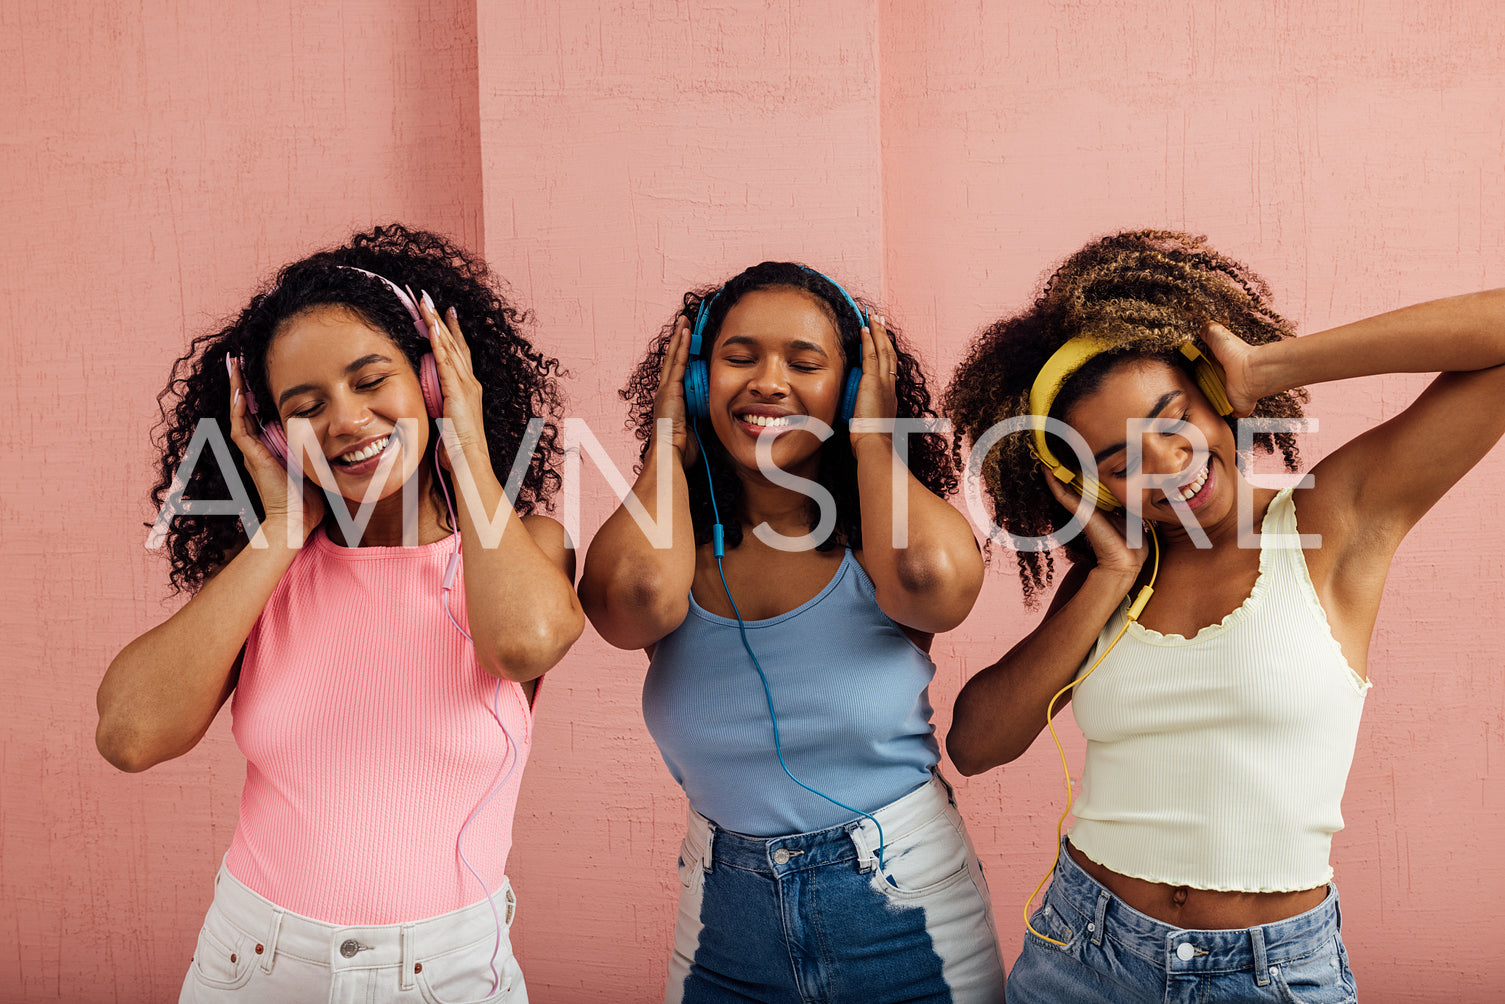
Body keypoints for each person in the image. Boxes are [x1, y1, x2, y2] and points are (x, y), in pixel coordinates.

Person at [943, 229, 1505, 1003]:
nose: (1168, 464)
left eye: (1173, 417)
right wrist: (1107, 575)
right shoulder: (1113, 580)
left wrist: (1268, 364)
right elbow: (974, 745)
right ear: (1092, 488)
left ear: (1213, 396)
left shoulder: (1331, 521)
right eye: (1120, 461)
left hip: (1269, 973)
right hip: (1079, 952)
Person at [96, 224, 583, 1003]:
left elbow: (524, 641)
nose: (346, 419)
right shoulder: (267, 576)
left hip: (449, 973)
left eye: (369, 380)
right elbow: (127, 737)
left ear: (433, 379)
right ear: (270, 434)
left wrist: (465, 448)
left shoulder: (525, 547)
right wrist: (284, 532)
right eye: (304, 405)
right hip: (254, 962)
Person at [580, 261, 1006, 1003]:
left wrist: (873, 434)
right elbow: (632, 599)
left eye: (805, 364)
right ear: (695, 381)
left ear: (846, 390)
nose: (768, 382)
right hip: (724, 919)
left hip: (904, 902)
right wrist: (666, 447)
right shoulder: (671, 552)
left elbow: (938, 584)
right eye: (739, 357)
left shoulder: (882, 541)